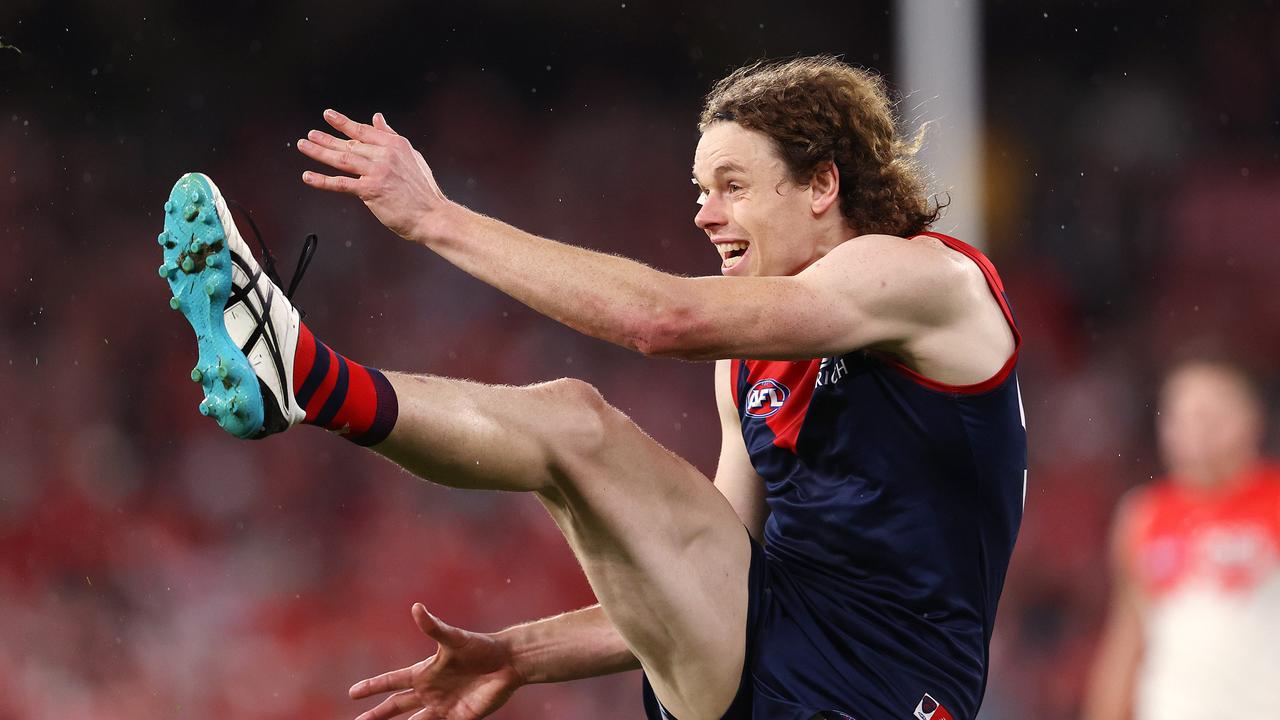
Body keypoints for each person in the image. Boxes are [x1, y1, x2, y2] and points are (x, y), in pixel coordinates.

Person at [157, 56, 1026, 719]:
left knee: (578, 421)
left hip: (889, 688)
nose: (703, 213)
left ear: (823, 185)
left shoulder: (921, 277)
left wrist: (436, 217)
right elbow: (703, 576)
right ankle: (306, 379)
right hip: (765, 664)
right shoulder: (749, 363)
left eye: (732, 186)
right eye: (698, 190)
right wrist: (519, 654)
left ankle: (301, 372)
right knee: (569, 422)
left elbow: (664, 321)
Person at [1084, 359, 1280, 720]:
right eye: (1181, 415)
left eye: (1211, 413)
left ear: (1253, 418)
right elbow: (1127, 639)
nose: (1197, 429)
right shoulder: (1141, 515)